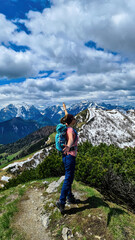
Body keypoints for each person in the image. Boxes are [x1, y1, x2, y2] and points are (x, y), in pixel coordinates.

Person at [56, 103, 79, 213]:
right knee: (68, 178)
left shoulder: (67, 125)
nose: (75, 119)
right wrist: (69, 146)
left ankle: (69, 197)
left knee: (68, 177)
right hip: (70, 156)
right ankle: (61, 201)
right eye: (73, 118)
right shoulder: (70, 130)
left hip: (65, 155)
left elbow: (67, 116)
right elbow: (70, 139)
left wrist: (65, 109)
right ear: (71, 121)